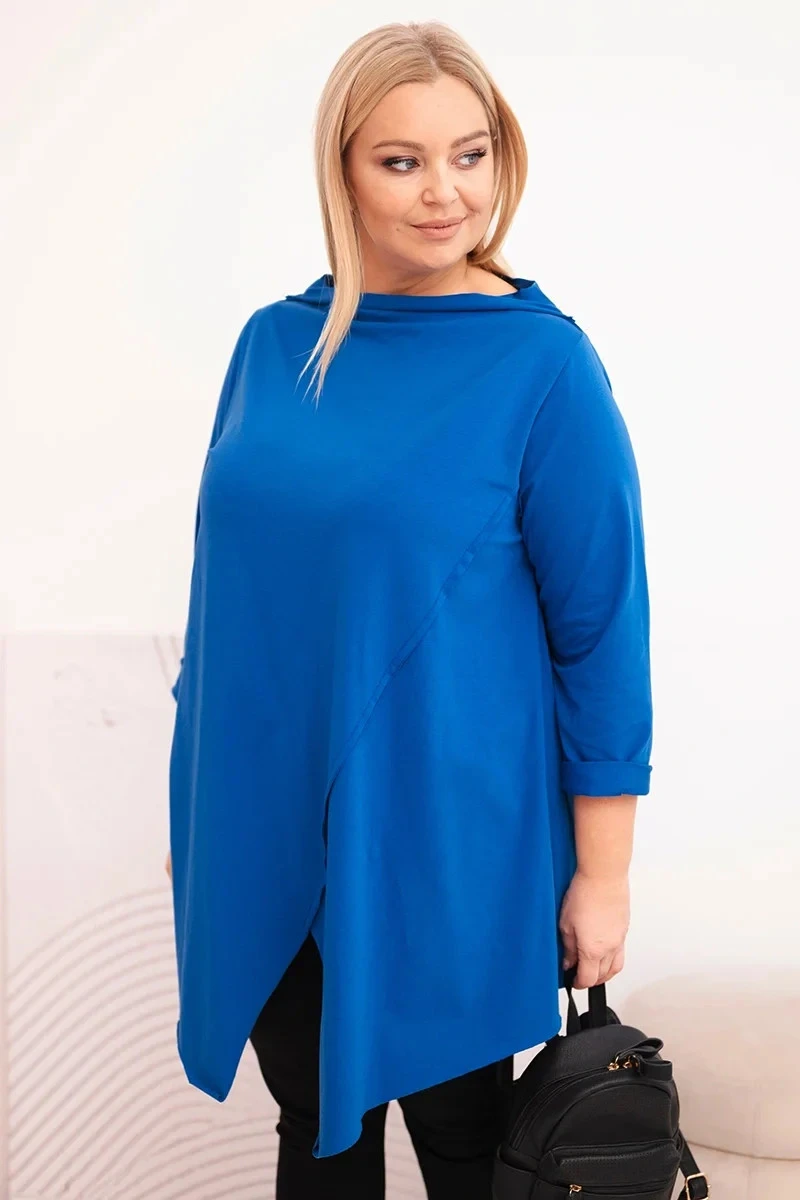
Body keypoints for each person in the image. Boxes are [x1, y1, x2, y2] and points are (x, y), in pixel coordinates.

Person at [165, 19, 652, 1200]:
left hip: (450, 837)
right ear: (341, 170)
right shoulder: (273, 345)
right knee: (312, 1125)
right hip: (258, 820)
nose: (446, 192)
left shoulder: (539, 365)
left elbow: (599, 638)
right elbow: (228, 590)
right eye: (402, 161)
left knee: (462, 1140)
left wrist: (601, 878)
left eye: (469, 155)